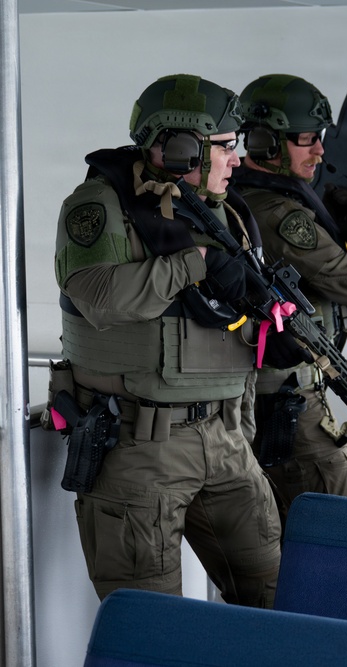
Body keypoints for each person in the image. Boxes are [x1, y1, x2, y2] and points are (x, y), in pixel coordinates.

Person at [52, 74, 282, 606]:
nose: (237, 160)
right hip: (140, 448)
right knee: (151, 625)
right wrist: (194, 264)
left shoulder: (226, 213)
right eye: (225, 146)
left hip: (227, 439)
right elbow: (100, 296)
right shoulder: (100, 205)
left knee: (279, 598)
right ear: (180, 148)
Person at [231, 73, 347, 528]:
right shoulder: (276, 212)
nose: (319, 151)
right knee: (336, 522)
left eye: (320, 138)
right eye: (307, 140)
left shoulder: (288, 198)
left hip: (289, 391)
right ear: (266, 144)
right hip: (285, 399)